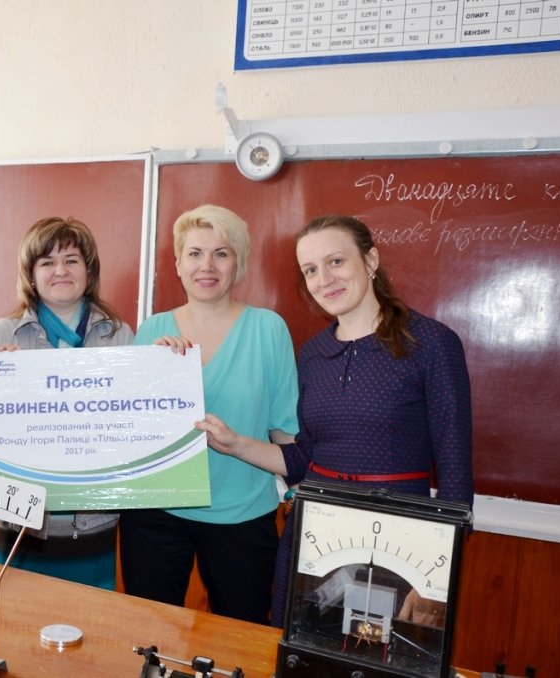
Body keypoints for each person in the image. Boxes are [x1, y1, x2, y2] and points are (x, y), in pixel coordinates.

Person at [196, 214, 474, 626]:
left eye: (336, 262)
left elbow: (455, 474)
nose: (324, 279)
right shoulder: (312, 354)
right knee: (293, 650)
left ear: (370, 260)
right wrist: (235, 444)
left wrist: (435, 578)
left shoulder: (430, 343)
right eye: (310, 270)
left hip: (400, 547)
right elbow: (303, 458)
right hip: (315, 538)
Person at [118, 204, 299, 623]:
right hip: (155, 514)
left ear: (239, 263)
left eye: (221, 253)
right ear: (178, 264)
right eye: (195, 253)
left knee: (242, 639)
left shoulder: (268, 329)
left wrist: (299, 500)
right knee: (150, 636)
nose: (207, 266)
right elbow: (130, 431)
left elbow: (286, 435)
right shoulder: (151, 331)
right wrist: (151, 372)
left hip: (244, 516)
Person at [0, 216, 133, 589]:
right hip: (19, 524)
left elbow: (133, 427)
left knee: (90, 620)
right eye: (47, 262)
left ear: (88, 271)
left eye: (71, 260)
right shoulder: (2, 334)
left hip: (92, 522)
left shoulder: (119, 336)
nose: (60, 270)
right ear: (31, 275)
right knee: (14, 618)